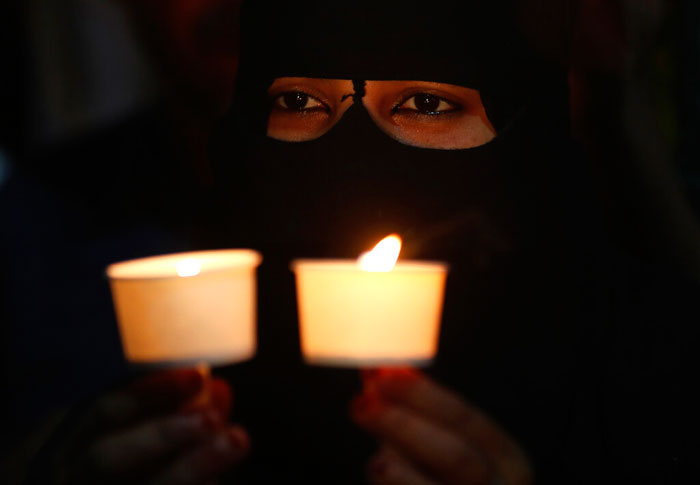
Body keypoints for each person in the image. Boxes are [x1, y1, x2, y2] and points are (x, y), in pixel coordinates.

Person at [24, 1, 698, 484]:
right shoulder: (185, 395)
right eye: (301, 103)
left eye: (426, 104)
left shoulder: (660, 376)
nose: (349, 151)